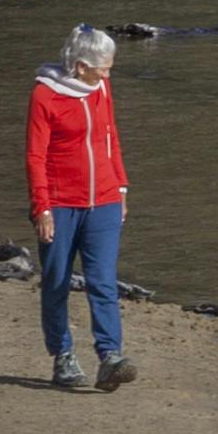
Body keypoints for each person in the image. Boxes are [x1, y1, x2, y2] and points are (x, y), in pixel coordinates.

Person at [26, 22, 133, 393]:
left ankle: (110, 357)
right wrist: (42, 207)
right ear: (81, 66)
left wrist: (120, 185)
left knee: (102, 280)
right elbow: (35, 155)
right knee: (56, 281)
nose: (108, 72)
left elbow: (110, 137)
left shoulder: (102, 88)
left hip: (103, 201)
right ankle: (63, 356)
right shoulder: (45, 96)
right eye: (103, 67)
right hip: (59, 204)